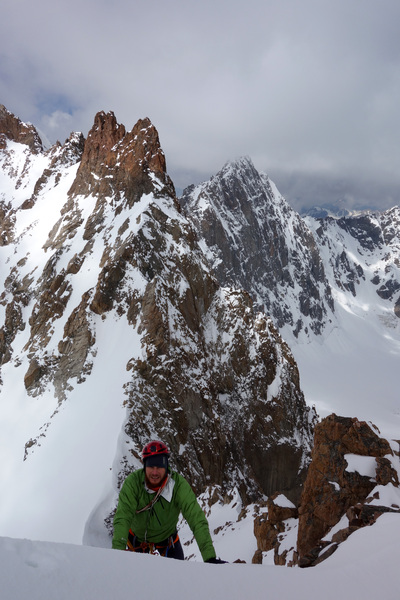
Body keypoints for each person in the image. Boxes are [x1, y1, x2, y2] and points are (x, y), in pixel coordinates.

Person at [112, 440, 225, 562]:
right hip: (137, 544)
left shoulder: (177, 485)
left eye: (159, 466)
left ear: (166, 466)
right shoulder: (133, 483)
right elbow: (123, 517)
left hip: (168, 544)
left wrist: (209, 557)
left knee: (177, 579)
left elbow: (196, 518)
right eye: (151, 466)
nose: (155, 472)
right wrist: (118, 555)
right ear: (144, 466)